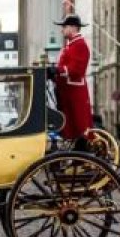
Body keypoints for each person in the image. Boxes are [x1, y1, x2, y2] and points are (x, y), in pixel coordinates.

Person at [51, 14, 94, 151]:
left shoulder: (80, 45)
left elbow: (76, 70)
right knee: (69, 123)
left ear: (73, 28)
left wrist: (57, 70)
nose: (61, 30)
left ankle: (82, 152)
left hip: (75, 93)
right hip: (68, 92)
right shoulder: (72, 45)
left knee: (78, 123)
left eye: (64, 27)